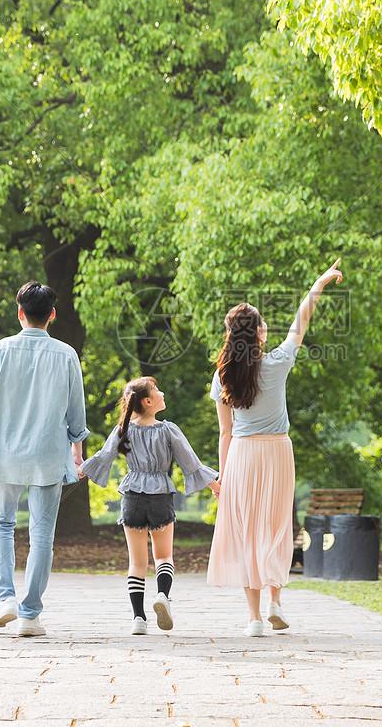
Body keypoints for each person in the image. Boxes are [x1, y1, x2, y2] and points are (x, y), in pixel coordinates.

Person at [206, 259, 345, 637]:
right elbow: (302, 320)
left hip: (243, 456)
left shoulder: (223, 378)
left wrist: (223, 476)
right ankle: (276, 602)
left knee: (248, 532)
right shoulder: (278, 362)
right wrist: (318, 283)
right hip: (278, 453)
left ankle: (253, 619)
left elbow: (224, 433)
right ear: (260, 335)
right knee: (277, 528)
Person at [0, 281, 89, 637]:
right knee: (42, 536)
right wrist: (78, 454)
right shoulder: (66, 354)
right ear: (52, 315)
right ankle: (30, 614)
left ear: (19, 313)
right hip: (48, 454)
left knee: (2, 524)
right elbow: (76, 414)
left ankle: (4, 598)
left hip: (3, 452)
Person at [78, 376, 220, 635]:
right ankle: (163, 596)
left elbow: (103, 456)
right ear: (148, 401)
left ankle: (138, 619)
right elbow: (191, 463)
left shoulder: (123, 428)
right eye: (157, 390)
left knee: (137, 563)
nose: (162, 392)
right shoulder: (168, 429)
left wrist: (81, 470)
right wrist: (215, 486)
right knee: (164, 556)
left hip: (131, 497)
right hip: (160, 496)